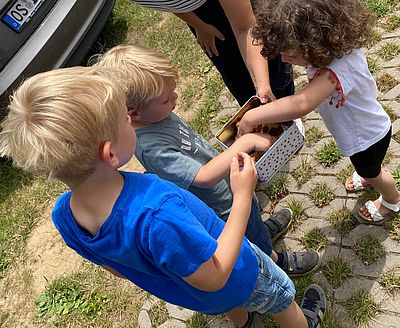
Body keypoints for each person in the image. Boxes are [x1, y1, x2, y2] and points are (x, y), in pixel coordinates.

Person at [0, 66, 326, 328]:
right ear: (110, 153)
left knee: (226, 300)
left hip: (192, 290)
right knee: (279, 295)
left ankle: (243, 323)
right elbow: (215, 274)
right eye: (124, 120)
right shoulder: (157, 211)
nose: (133, 121)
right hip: (237, 271)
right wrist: (242, 197)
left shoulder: (64, 217)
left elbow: (115, 269)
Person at [95, 44, 320, 277]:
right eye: (165, 99)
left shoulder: (155, 116)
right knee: (247, 232)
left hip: (230, 187)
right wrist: (246, 142)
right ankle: (273, 260)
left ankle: (260, 231)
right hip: (221, 205)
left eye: (172, 90)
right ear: (133, 114)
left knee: (251, 217)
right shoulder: (152, 148)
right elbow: (203, 177)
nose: (175, 97)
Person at [238, 0, 400, 225]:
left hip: (367, 138)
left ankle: (392, 199)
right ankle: (367, 175)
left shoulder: (334, 72)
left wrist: (251, 116)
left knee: (373, 170)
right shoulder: (337, 51)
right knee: (365, 166)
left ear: (315, 42)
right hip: (365, 130)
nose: (285, 60)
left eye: (291, 55)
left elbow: (302, 103)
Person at [130, 0, 294, 106]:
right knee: (239, 81)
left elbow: (246, 27)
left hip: (236, 8)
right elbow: (170, 3)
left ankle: (288, 110)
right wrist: (199, 25)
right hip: (202, 15)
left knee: (273, 74)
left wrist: (263, 85)